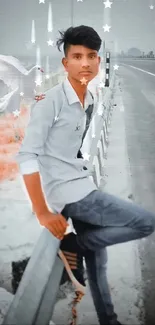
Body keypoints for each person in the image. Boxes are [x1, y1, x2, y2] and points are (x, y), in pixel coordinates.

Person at [16, 25, 155, 325]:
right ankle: (75, 245)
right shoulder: (49, 102)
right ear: (65, 63)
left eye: (92, 56)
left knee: (98, 262)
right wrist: (41, 211)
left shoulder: (89, 100)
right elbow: (27, 155)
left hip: (79, 183)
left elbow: (72, 149)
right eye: (77, 56)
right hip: (71, 194)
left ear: (98, 60)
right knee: (145, 222)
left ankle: (108, 318)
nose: (85, 63)